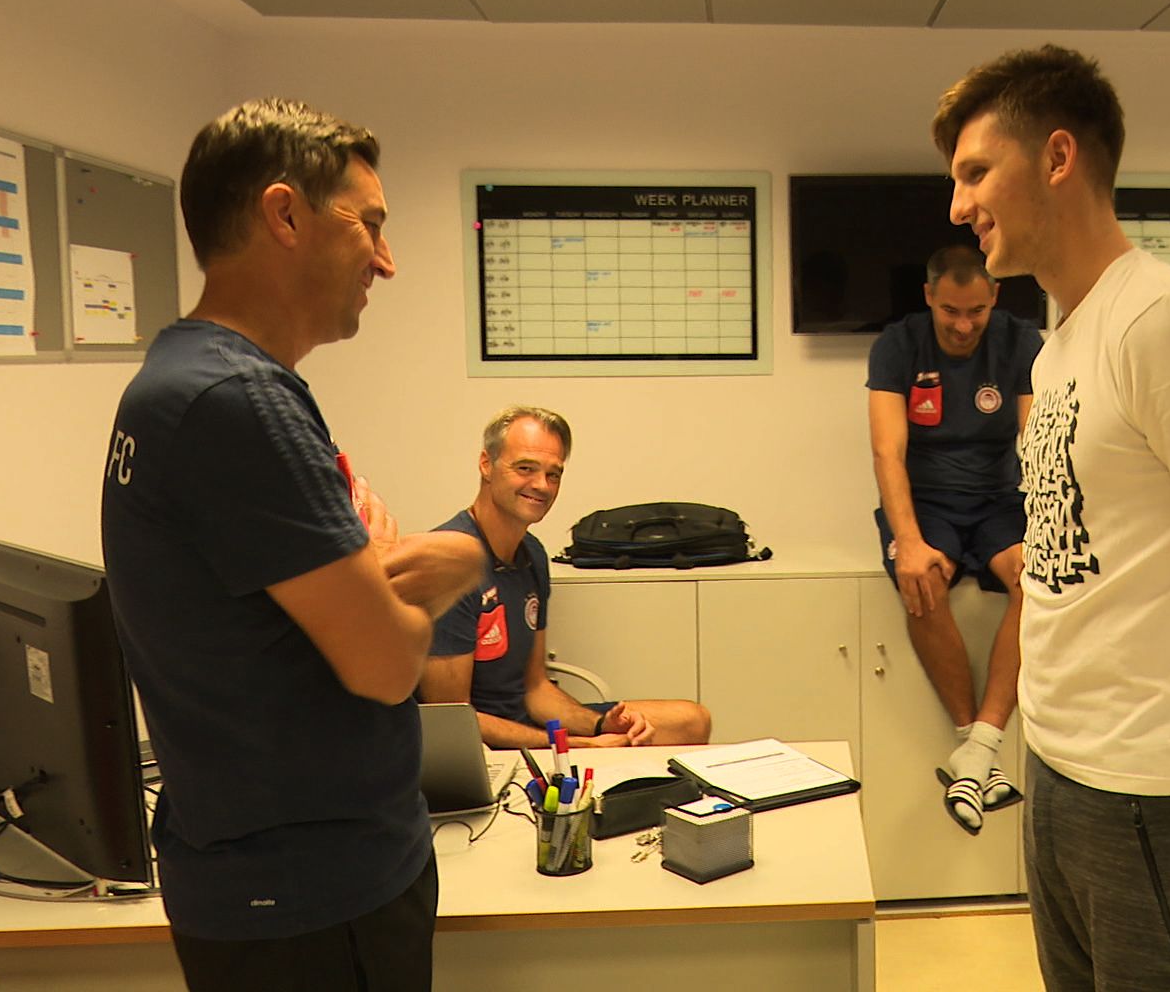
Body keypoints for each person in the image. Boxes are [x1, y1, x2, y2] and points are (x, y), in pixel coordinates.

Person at [932, 45, 1170, 990]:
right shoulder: (1061, 343)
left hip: (1165, 792)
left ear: (1058, 157)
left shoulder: (1162, 320)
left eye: (976, 172)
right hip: (1063, 773)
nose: (957, 206)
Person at [101, 99, 485, 991]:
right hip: (313, 898)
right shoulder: (240, 403)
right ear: (285, 214)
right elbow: (386, 665)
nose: (386, 260)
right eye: (369, 225)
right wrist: (449, 569)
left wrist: (373, 583)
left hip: (263, 881)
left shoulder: (176, 379)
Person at [866, 244, 1041, 835]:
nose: (964, 326)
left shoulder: (1021, 341)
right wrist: (909, 542)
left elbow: (1039, 443)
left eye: (976, 311)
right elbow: (887, 452)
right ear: (929, 298)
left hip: (999, 502)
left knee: (1037, 581)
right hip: (927, 503)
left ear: (994, 298)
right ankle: (977, 746)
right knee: (923, 580)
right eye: (950, 311)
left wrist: (1052, 527)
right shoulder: (898, 345)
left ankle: (977, 749)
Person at [418, 407, 713, 749]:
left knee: (691, 721)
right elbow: (453, 722)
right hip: (487, 746)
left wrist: (600, 725)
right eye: (525, 468)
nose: (541, 485)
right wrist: (577, 746)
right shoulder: (451, 562)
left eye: (553, 474)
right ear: (487, 464)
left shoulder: (532, 553)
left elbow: (535, 688)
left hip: (532, 723)